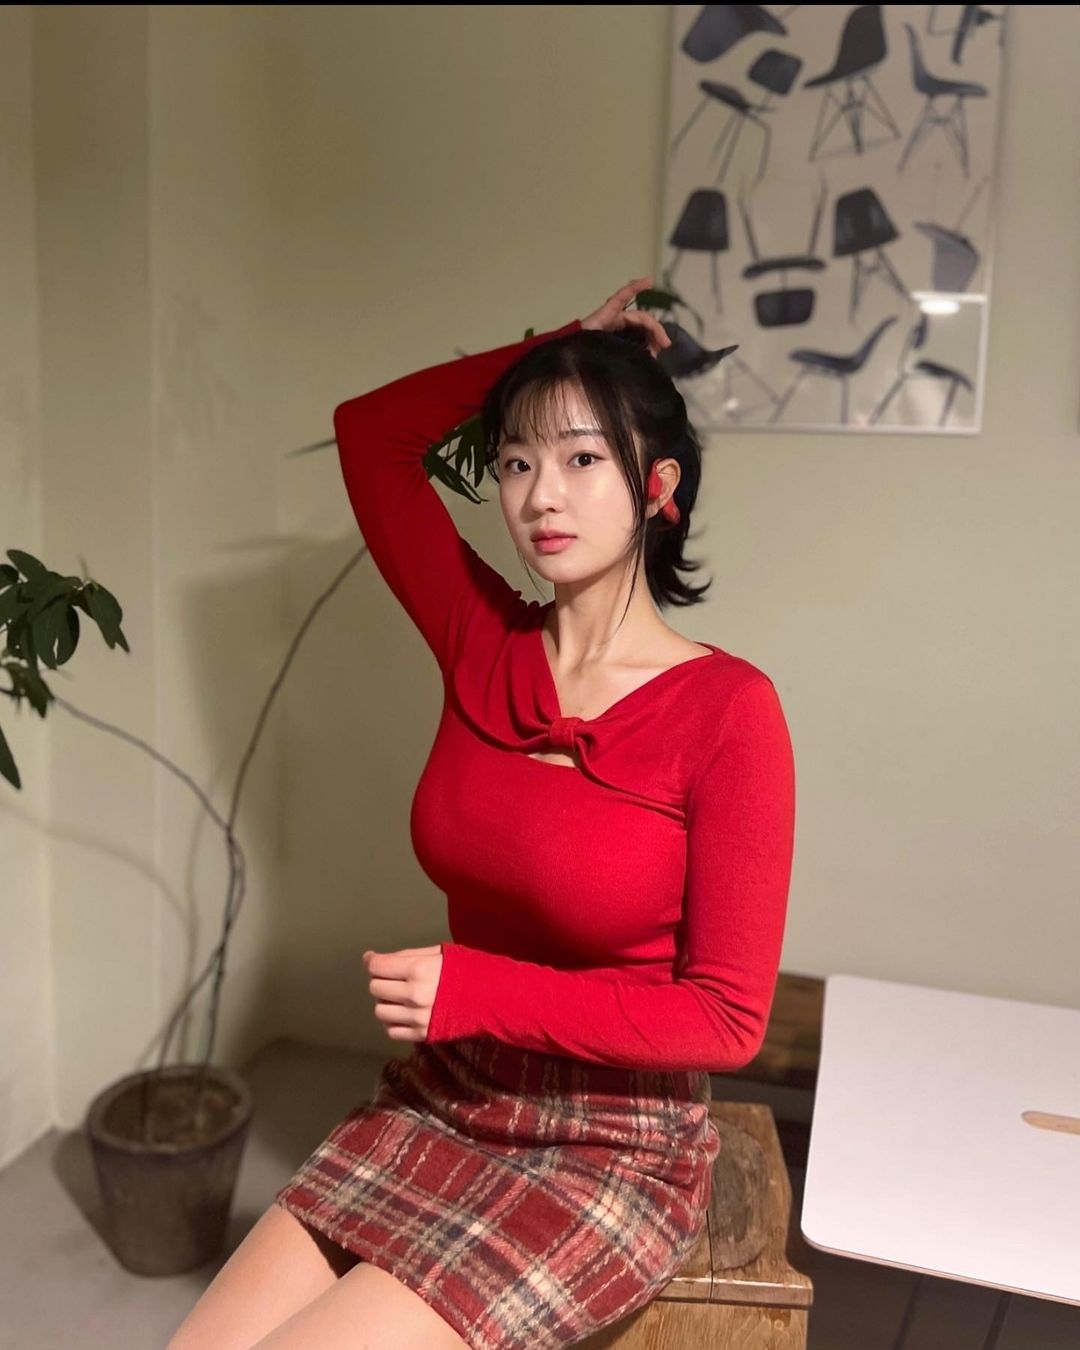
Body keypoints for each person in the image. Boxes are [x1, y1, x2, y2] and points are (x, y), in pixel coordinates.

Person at [167, 277, 796, 1350]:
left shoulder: (730, 711)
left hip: (614, 1141)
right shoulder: (482, 640)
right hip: (450, 1094)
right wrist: (564, 347)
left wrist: (478, 990)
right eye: (516, 462)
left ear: (659, 486)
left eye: (583, 459)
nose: (542, 495)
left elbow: (727, 1019)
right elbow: (369, 435)